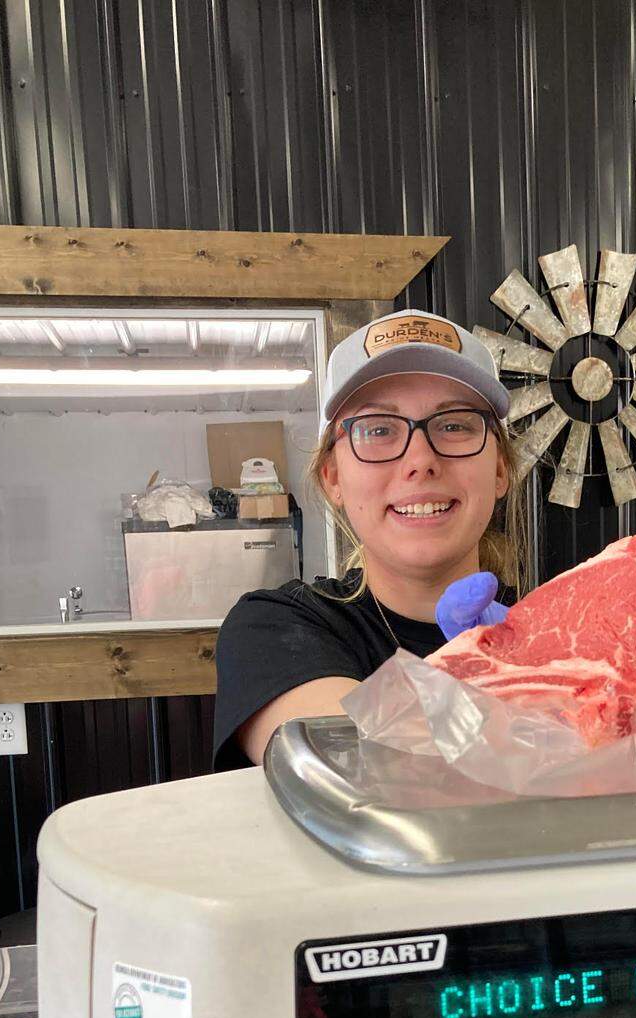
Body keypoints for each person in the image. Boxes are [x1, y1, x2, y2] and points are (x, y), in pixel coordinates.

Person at [212, 310, 530, 769]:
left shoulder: (564, 635)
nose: (420, 460)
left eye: (455, 425)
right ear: (334, 477)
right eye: (378, 429)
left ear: (499, 469)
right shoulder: (273, 630)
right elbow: (352, 762)